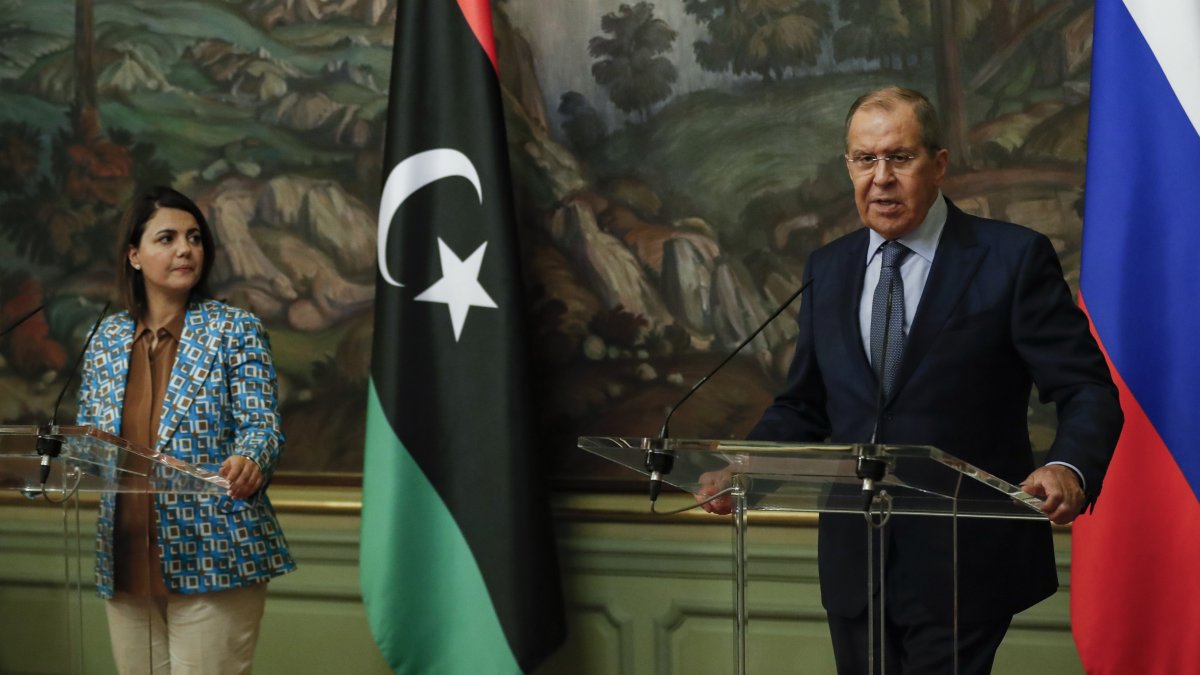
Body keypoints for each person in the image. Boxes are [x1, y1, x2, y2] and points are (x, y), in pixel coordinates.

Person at [697, 87, 1122, 674]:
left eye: (899, 157)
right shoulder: (829, 267)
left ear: (939, 164)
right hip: (855, 564)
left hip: (964, 562)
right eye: (865, 160)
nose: (881, 178)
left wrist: (1067, 467)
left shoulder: (1011, 258)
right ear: (847, 166)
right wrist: (747, 469)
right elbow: (806, 405)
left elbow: (1086, 389)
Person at [76, 186, 296, 674]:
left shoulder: (234, 329)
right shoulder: (105, 338)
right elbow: (91, 443)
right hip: (126, 552)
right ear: (134, 255)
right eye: (167, 238)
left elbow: (262, 426)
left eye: (194, 237)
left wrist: (251, 459)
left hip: (215, 550)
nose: (185, 249)